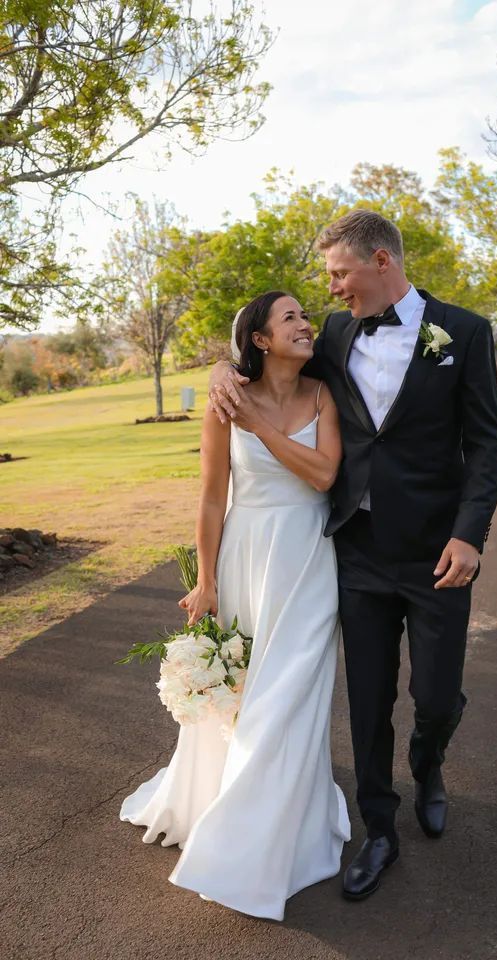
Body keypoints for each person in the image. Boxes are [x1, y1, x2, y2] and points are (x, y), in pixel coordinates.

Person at [208, 210, 497, 901]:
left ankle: (429, 763)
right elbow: (265, 361)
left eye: (339, 273)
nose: (331, 290)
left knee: (433, 697)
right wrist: (225, 368)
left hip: (439, 554)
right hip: (357, 551)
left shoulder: (462, 332)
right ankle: (379, 830)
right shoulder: (336, 334)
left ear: (380, 261)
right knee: (366, 701)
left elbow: (487, 446)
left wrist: (471, 534)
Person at [120, 291, 350, 921]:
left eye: (306, 315)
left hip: (306, 559)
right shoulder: (223, 404)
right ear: (259, 339)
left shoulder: (324, 394)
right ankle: (233, 808)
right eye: (291, 318)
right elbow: (210, 498)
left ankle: (255, 843)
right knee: (247, 696)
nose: (306, 324)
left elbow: (325, 476)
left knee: (290, 696)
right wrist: (208, 581)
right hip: (247, 556)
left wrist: (260, 425)